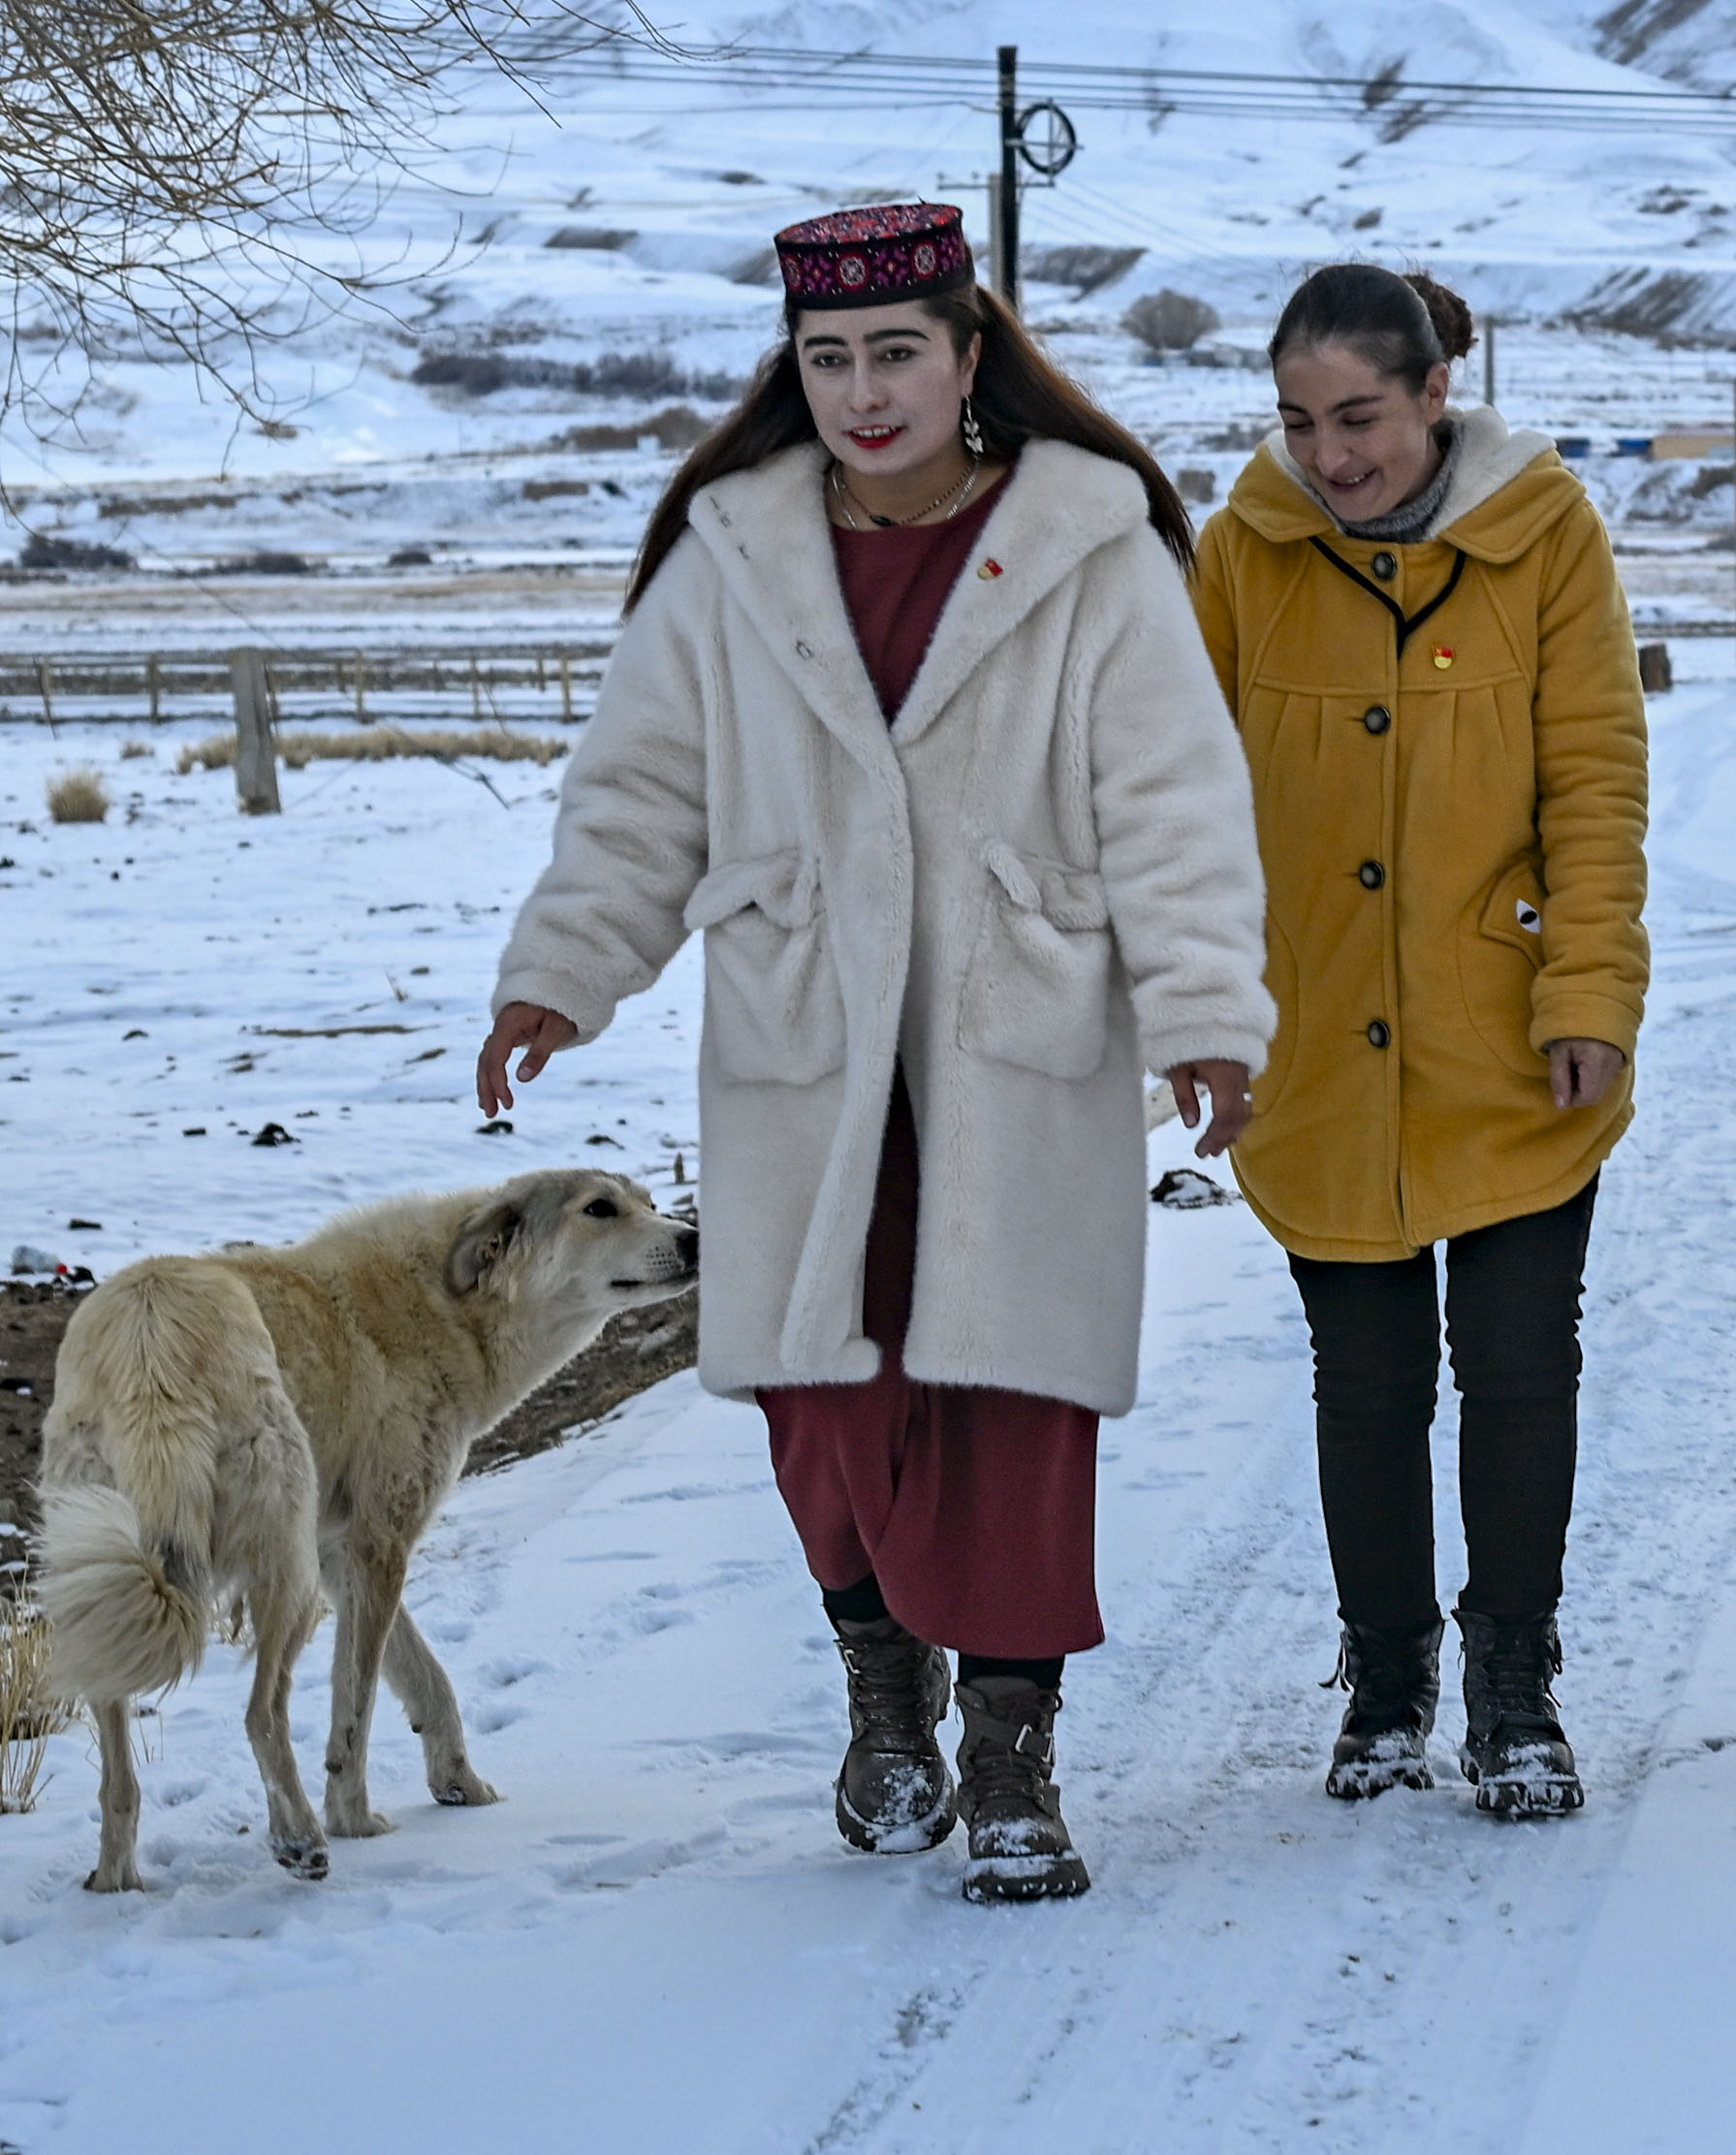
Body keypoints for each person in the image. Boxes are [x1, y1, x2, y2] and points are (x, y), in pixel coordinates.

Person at [477, 202, 1272, 1903]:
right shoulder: (734, 553)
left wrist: (1205, 1010)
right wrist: (564, 971)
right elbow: (642, 791)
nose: (864, 391)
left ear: (970, 354)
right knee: (823, 1390)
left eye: (896, 351)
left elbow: (1176, 803)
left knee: (1015, 1392)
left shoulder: (1089, 545)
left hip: (1016, 1027)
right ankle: (882, 1686)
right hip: (807, 1030)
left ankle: (1009, 1748)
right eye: (827, 358)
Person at [1193, 266, 1651, 1818]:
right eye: (1300, 423)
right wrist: (1205, 1013)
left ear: (1435, 394)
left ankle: (1515, 1689)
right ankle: (1386, 1684)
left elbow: (1594, 784)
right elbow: (1182, 805)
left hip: (1507, 1038)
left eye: (1360, 419)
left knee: (1519, 1369)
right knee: (1365, 1383)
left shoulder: (1547, 535)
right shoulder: (1239, 557)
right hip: (1313, 1044)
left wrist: (1587, 993)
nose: (1330, 456)